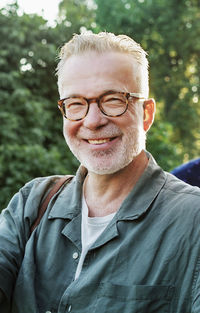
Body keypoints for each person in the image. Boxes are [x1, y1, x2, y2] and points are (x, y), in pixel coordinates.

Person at [0, 32, 200, 313]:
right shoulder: (31, 204)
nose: (92, 121)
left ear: (146, 114)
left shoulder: (193, 221)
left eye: (113, 100)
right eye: (76, 104)